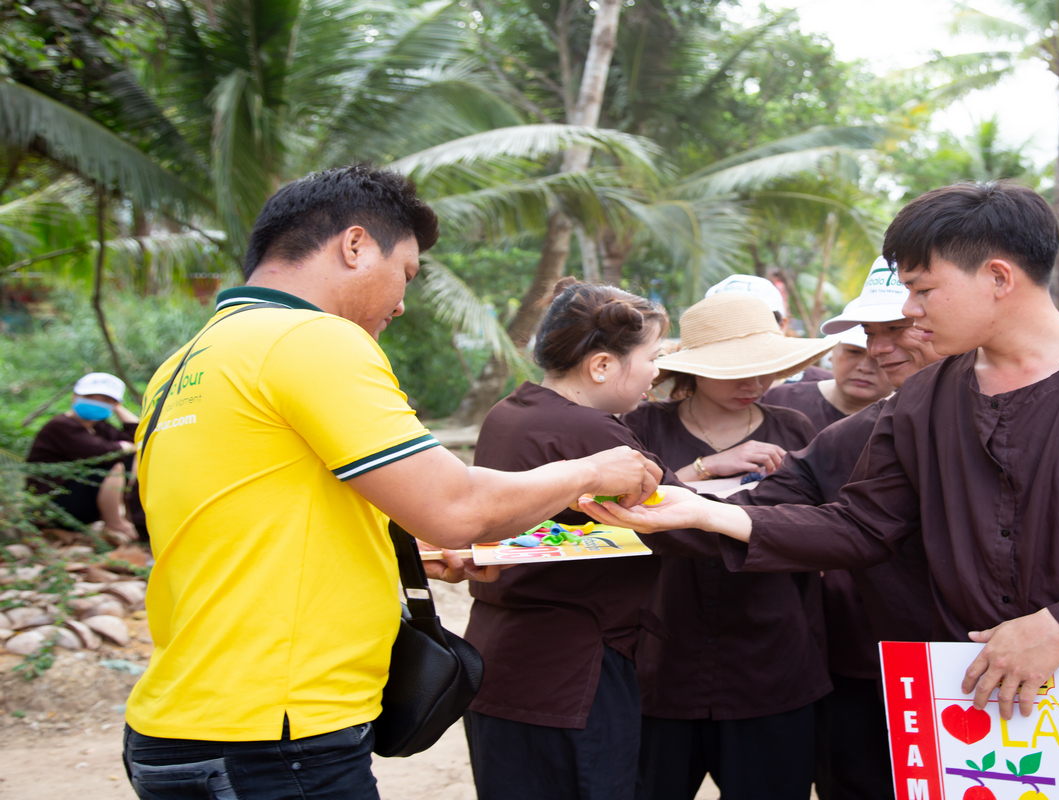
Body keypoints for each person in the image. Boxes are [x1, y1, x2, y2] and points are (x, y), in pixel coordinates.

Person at [587, 182, 1059, 726]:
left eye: (923, 288)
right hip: (980, 699)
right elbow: (862, 523)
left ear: (998, 277)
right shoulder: (927, 397)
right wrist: (705, 514)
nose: (910, 311)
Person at [123, 165, 661, 800]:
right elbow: (455, 505)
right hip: (276, 736)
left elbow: (253, 519)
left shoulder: (189, 361)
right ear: (355, 246)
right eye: (404, 273)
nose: (402, 302)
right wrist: (592, 471)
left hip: (182, 722)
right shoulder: (313, 340)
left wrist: (411, 554)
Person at [462, 279, 696, 800]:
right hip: (573, 671)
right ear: (603, 366)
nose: (658, 372)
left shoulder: (510, 413)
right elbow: (682, 518)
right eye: (652, 357)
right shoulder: (594, 434)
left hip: (499, 662)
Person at [735, 256, 945, 800]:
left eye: (895, 329)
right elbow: (782, 501)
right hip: (862, 658)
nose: (878, 350)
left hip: (989, 663)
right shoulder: (848, 430)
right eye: (866, 336)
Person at [622, 292, 834, 800]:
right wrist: (702, 469)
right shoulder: (641, 427)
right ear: (692, 369)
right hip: (663, 658)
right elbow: (617, 517)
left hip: (770, 660)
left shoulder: (795, 429)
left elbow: (815, 528)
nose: (755, 384)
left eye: (766, 370)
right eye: (736, 370)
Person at [25, 372, 140, 541]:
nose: (96, 402)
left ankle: (130, 518)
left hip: (80, 500)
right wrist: (122, 446)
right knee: (115, 463)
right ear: (74, 398)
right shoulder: (60, 426)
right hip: (55, 503)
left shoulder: (100, 427)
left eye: (105, 400)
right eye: (90, 397)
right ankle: (115, 523)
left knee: (133, 457)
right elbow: (99, 451)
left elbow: (139, 436)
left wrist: (118, 408)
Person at [761, 327, 893, 432]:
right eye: (853, 352)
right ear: (831, 353)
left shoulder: (905, 419)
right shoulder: (779, 399)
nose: (864, 368)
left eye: (880, 356)